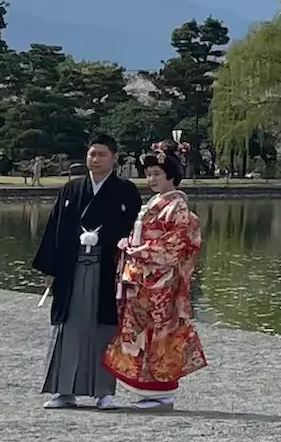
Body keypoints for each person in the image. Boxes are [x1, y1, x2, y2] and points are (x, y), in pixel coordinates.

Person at [32, 133, 142, 410]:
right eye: (92, 154)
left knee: (103, 328)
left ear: (114, 158)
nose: (95, 159)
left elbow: (135, 234)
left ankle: (103, 392)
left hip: (109, 270)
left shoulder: (126, 192)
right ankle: (63, 391)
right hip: (72, 268)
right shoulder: (71, 190)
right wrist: (51, 268)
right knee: (68, 327)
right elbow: (55, 229)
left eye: (102, 154)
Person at [103, 149, 208, 410]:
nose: (151, 179)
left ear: (171, 176)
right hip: (144, 280)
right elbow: (143, 237)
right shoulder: (154, 204)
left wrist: (139, 251)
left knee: (161, 335)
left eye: (157, 174)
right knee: (143, 333)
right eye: (148, 174)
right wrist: (128, 244)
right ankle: (149, 390)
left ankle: (162, 392)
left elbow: (176, 245)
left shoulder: (177, 207)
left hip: (162, 283)